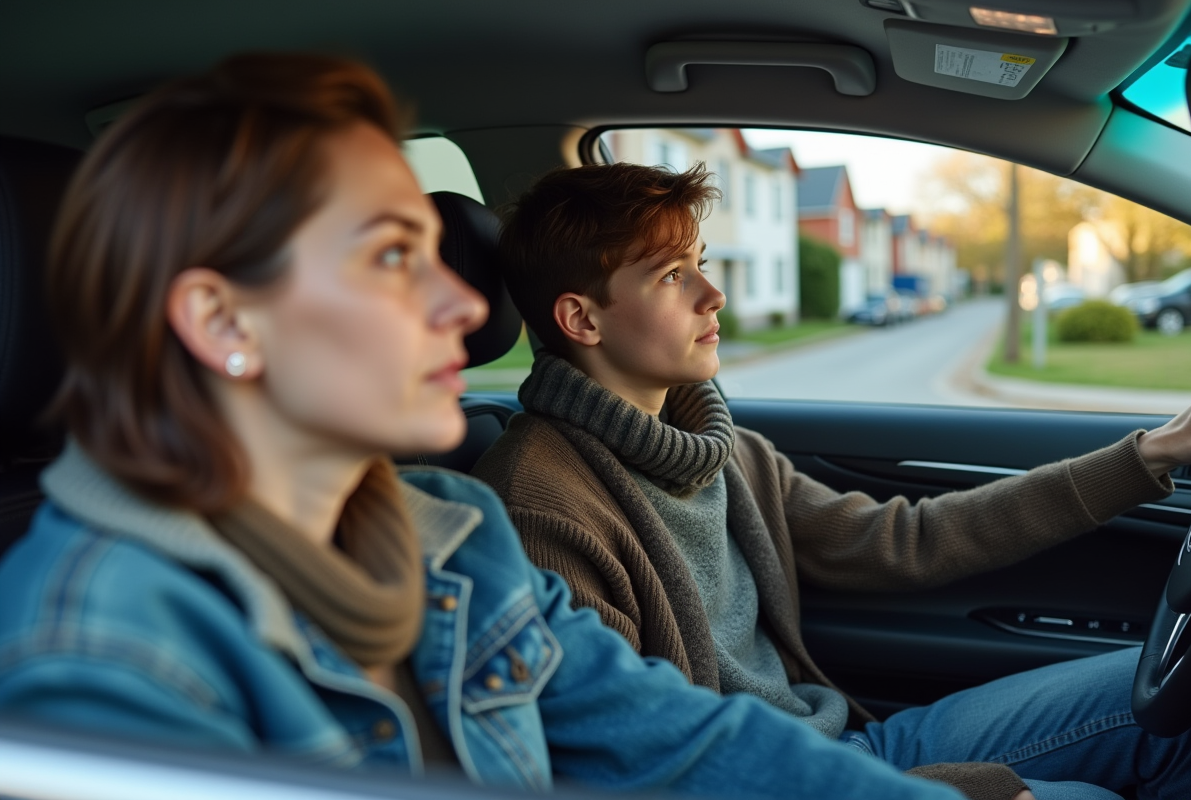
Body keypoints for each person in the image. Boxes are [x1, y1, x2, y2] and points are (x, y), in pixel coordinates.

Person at [0, 52, 986, 800]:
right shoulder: (98, 654)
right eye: (392, 256)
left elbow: (683, 739)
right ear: (224, 321)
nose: (466, 308)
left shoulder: (450, 532)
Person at [471, 161, 1191, 800]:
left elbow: (910, 540)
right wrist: (952, 789)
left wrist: (1157, 453)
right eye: (671, 275)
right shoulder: (541, 505)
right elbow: (641, 762)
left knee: (1184, 709)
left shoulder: (725, 450)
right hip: (782, 779)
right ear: (581, 319)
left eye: (699, 260)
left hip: (843, 745)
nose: (712, 294)